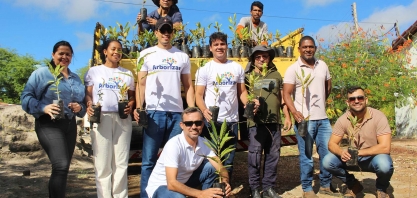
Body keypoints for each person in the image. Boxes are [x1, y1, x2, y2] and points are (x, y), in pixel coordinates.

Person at [134, 17, 194, 198]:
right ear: (156, 32)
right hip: (153, 113)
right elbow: (141, 84)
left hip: (176, 114)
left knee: (173, 159)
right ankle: (146, 195)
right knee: (148, 161)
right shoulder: (146, 54)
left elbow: (188, 86)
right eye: (162, 30)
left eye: (169, 30)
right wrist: (139, 106)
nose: (166, 34)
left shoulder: (182, 56)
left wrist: (190, 111)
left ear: (173, 33)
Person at [21, 40, 86, 198]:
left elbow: (83, 105)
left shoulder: (76, 78)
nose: (64, 57)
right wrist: (44, 107)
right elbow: (25, 98)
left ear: (71, 57)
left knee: (63, 168)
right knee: (61, 165)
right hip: (48, 124)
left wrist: (80, 108)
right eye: (61, 54)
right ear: (53, 55)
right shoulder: (41, 73)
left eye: (68, 54)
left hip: (70, 125)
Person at [195, 32, 258, 182]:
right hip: (212, 121)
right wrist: (204, 110)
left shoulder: (236, 68)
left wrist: (248, 102)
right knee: (211, 158)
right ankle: (211, 188)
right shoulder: (205, 69)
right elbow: (198, 95)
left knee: (229, 159)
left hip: (231, 120)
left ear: (227, 46)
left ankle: (225, 188)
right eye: (216, 44)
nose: (219, 47)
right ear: (210, 48)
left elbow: (242, 91)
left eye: (222, 44)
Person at [282, 36, 334, 198]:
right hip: (304, 121)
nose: (308, 50)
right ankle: (307, 188)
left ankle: (325, 184)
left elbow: (328, 86)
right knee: (307, 156)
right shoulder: (293, 69)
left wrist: (320, 105)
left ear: (315, 48)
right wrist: (294, 112)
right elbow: (286, 94)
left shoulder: (323, 65)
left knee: (327, 154)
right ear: (299, 49)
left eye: (311, 47)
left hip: (323, 119)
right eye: (305, 47)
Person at [84, 39, 136, 198]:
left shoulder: (127, 73)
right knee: (102, 163)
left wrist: (131, 105)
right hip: (101, 118)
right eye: (113, 49)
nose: (116, 52)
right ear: (105, 51)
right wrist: (89, 104)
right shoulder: (94, 71)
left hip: (122, 120)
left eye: (119, 50)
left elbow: (132, 97)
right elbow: (88, 94)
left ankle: (120, 196)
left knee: (121, 162)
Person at [323, 86, 394, 198]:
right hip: (352, 160)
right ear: (347, 102)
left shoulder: (378, 117)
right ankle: (354, 185)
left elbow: (385, 147)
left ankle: (381, 189)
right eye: (352, 99)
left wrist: (357, 153)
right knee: (327, 161)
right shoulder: (343, 120)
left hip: (373, 158)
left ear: (366, 100)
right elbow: (331, 144)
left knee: (384, 165)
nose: (356, 101)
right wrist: (341, 152)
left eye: (360, 98)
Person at [145, 107, 232, 198]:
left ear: (202, 124)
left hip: (185, 182)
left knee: (212, 167)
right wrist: (201, 194)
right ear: (182, 125)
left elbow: (220, 167)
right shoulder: (174, 145)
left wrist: (225, 182)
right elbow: (171, 184)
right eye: (189, 123)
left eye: (198, 123)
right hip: (162, 186)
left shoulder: (204, 143)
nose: (194, 127)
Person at [244, 45, 291, 198]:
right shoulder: (248, 76)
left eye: (265, 56)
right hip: (256, 123)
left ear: (269, 58)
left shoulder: (276, 75)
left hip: (274, 122)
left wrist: (287, 116)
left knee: (273, 156)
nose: (262, 59)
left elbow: (282, 97)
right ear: (253, 59)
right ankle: (255, 188)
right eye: (258, 57)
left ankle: (269, 187)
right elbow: (243, 94)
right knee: (254, 156)